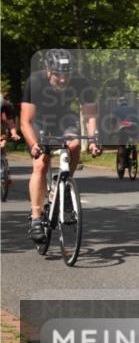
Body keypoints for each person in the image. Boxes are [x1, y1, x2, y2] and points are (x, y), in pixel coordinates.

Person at [20, 49, 102, 242]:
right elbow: (25, 122)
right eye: (58, 75)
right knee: (41, 163)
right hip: (39, 121)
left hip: (64, 119)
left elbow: (90, 115)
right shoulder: (35, 81)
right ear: (48, 71)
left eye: (67, 74)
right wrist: (33, 144)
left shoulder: (81, 82)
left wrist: (92, 139)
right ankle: (36, 218)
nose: (63, 79)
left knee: (74, 144)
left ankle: (65, 185)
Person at [1, 93, 21, 193]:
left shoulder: (6, 107)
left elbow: (11, 123)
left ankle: (5, 173)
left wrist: (14, 134)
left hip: (1, 129)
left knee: (2, 146)